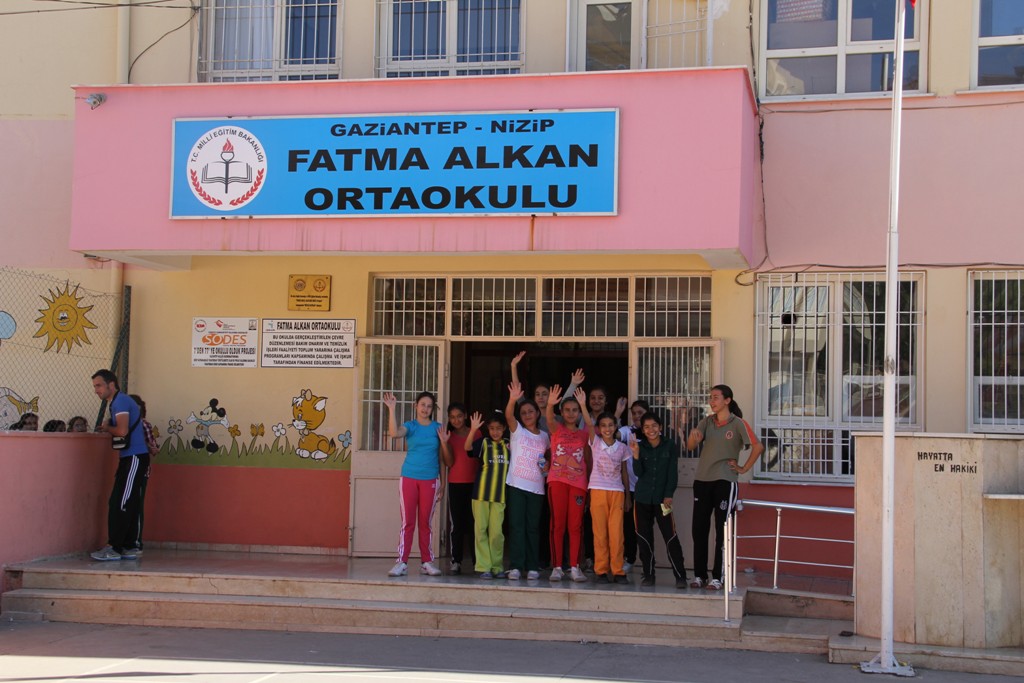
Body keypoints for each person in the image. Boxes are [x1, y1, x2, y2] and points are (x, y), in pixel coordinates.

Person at [686, 384, 764, 591]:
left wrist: (743, 468)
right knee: (699, 530)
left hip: (725, 481)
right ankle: (699, 576)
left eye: (716, 397)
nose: (712, 401)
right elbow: (690, 446)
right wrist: (693, 437)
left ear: (727, 400)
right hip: (702, 480)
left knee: (722, 530)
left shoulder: (738, 423)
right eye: (710, 397)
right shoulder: (706, 422)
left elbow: (758, 446)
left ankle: (718, 577)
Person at [382, 391, 451, 577]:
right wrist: (391, 409)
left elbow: (442, 459)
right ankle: (402, 562)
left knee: (425, 523)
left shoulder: (438, 428)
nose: (425, 409)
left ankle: (426, 562)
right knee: (408, 522)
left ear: (432, 409)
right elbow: (394, 433)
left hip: (430, 480)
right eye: (422, 405)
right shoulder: (410, 426)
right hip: (409, 478)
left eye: (429, 406)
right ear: (416, 406)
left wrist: (443, 484)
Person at [89, 369, 148, 561]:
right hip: (131, 457)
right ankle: (128, 546)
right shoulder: (117, 402)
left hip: (134, 457)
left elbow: (122, 431)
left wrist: (107, 427)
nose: (96, 390)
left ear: (111, 384)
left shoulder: (120, 401)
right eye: (95, 386)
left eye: (99, 385)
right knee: (127, 501)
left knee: (120, 502)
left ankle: (114, 547)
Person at [629, 411, 688, 588]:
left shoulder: (669, 445)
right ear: (642, 430)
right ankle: (648, 575)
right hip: (642, 498)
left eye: (654, 426)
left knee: (670, 536)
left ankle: (680, 576)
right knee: (644, 538)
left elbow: (672, 473)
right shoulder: (640, 446)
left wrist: (669, 494)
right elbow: (638, 473)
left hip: (663, 500)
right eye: (646, 427)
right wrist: (636, 454)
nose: (651, 430)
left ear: (660, 427)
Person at [503, 382, 549, 581]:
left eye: (531, 411)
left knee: (533, 528)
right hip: (516, 486)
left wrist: (547, 466)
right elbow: (508, 416)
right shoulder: (518, 431)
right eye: (523, 413)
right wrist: (512, 399)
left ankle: (532, 566)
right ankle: (516, 566)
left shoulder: (545, 436)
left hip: (537, 488)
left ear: (538, 413)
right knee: (516, 526)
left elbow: (548, 459)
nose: (527, 415)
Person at [544, 385, 590, 583]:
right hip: (557, 481)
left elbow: (588, 459)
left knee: (575, 526)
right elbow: (548, 419)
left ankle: (574, 567)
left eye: (575, 410)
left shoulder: (584, 434)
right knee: (558, 525)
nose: (571, 413)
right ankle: (557, 567)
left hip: (578, 484)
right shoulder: (557, 429)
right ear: (561, 413)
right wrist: (550, 404)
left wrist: (583, 405)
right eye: (567, 410)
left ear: (579, 413)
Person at [583, 403, 631, 584]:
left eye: (610, 425)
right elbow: (588, 424)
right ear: (599, 428)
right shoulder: (595, 442)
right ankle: (601, 570)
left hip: (617, 492)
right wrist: (582, 404)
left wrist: (628, 496)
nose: (607, 429)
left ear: (616, 426)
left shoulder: (622, 448)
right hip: (597, 490)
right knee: (600, 533)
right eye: (603, 425)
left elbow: (624, 473)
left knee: (617, 533)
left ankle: (618, 570)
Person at [466, 411, 510, 579]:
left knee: (497, 533)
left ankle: (497, 566)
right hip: (480, 495)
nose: (495, 432)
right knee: (481, 530)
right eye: (492, 428)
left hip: (500, 496)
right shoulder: (484, 443)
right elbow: (467, 449)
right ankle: (484, 566)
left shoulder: (509, 444)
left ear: (504, 428)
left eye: (498, 428)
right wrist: (473, 430)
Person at [445, 402, 479, 574]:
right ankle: (456, 560)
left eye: (459, 416)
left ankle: (477, 561)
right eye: (452, 417)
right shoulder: (448, 436)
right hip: (455, 484)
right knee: (457, 524)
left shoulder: (476, 432)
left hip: (474, 484)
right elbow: (448, 462)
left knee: (475, 524)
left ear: (465, 415)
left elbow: (480, 457)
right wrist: (444, 442)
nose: (456, 420)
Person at [617, 399, 650, 573]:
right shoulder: (627, 431)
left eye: (640, 413)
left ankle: (647, 564)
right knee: (629, 527)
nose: (637, 416)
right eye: (634, 413)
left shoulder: (654, 432)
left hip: (649, 490)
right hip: (629, 489)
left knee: (645, 528)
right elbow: (611, 434)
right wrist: (617, 413)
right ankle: (629, 559)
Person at [129, 394, 160, 554]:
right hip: (126, 469)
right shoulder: (121, 425)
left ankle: (136, 541)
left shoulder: (143, 424)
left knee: (136, 504)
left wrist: (146, 446)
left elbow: (154, 448)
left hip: (140, 470)